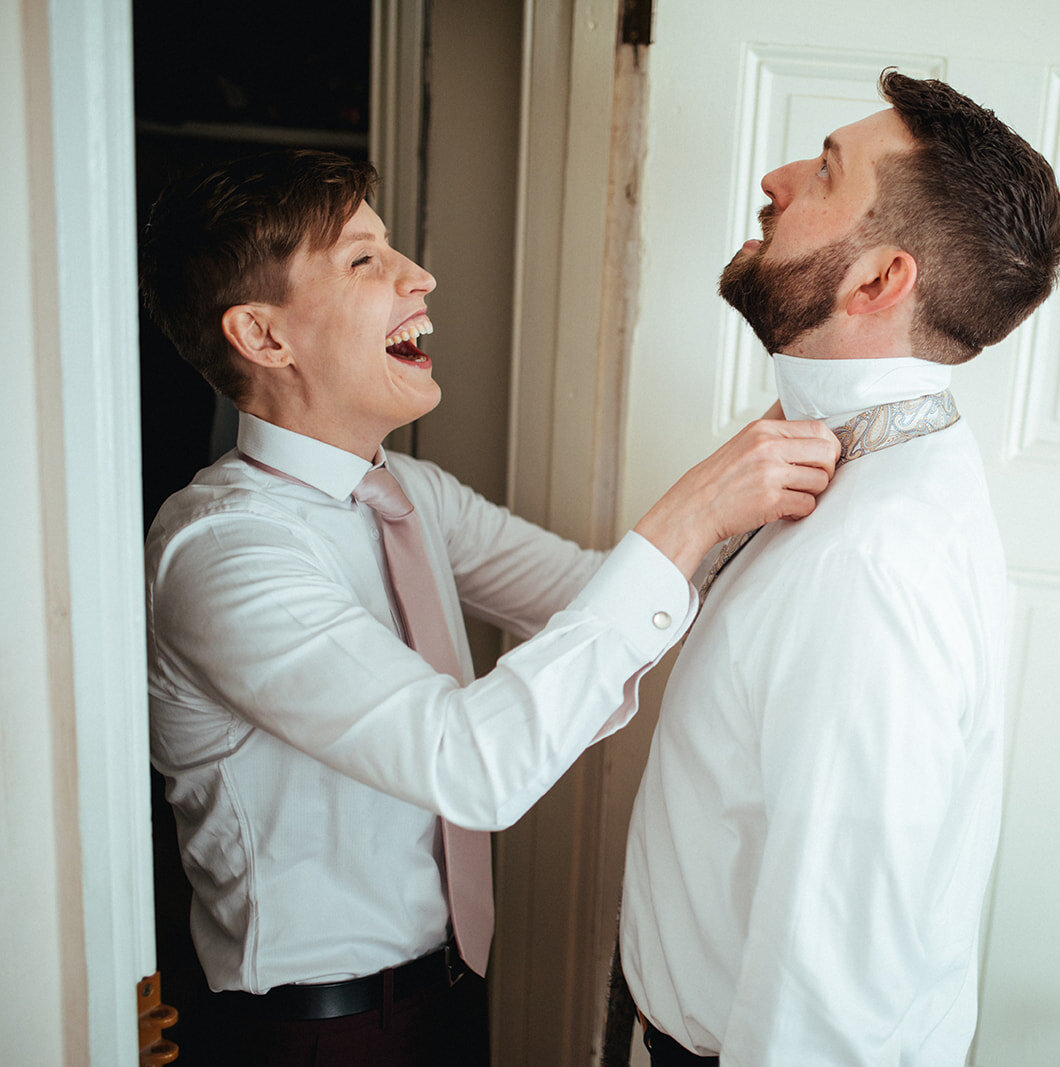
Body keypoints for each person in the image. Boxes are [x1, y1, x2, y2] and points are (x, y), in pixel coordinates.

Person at [138, 149, 840, 1065]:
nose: (418, 276)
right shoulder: (221, 556)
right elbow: (473, 763)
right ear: (265, 338)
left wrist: (790, 520)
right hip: (313, 1035)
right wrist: (697, 506)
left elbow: (603, 596)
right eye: (362, 261)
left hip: (448, 992)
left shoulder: (410, 494)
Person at [614, 71, 1060, 1065]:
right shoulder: (867, 463)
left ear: (876, 282)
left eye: (822, 171)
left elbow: (833, 970)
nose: (773, 180)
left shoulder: (870, 558)